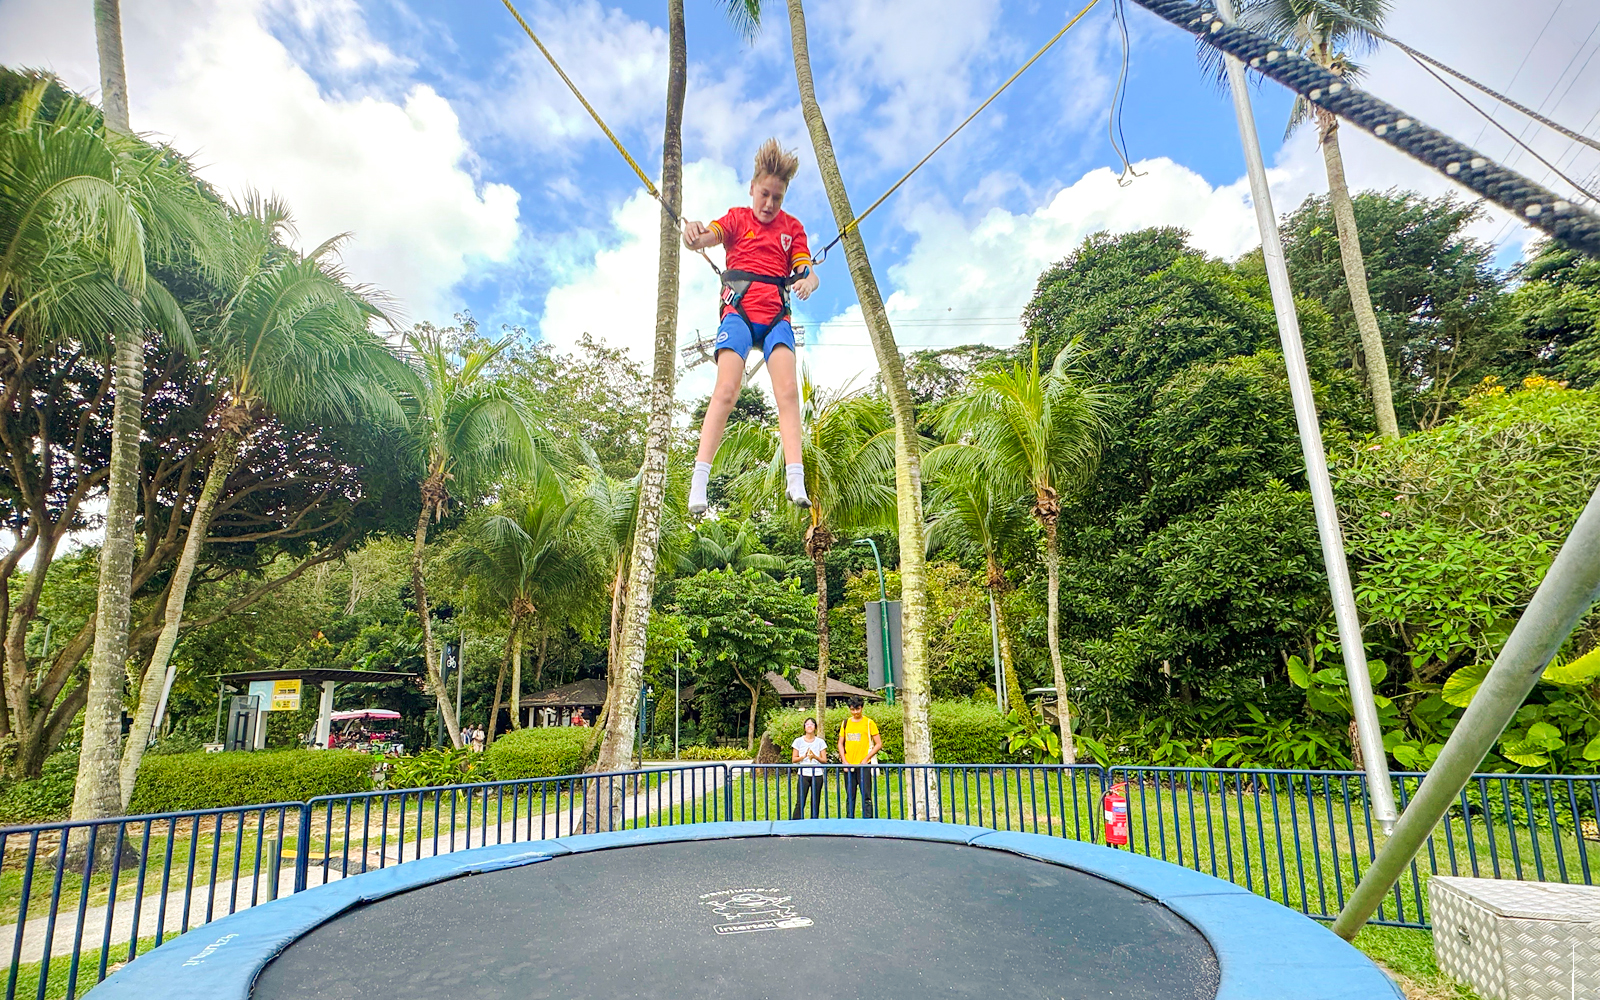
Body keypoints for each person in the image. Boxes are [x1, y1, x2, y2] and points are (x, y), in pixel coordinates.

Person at [681, 138, 820, 516]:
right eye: (764, 194)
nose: (769, 204)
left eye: (777, 197)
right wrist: (692, 234)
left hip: (777, 317)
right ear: (752, 188)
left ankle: (795, 478)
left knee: (788, 391)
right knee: (726, 389)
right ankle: (699, 481)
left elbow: (807, 270)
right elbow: (704, 238)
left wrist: (809, 281)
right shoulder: (737, 218)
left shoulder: (793, 228)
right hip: (739, 313)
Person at [836, 697, 881, 819]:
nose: (855, 712)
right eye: (852, 709)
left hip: (863, 764)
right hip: (849, 764)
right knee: (850, 795)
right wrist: (844, 761)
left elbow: (878, 743)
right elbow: (840, 742)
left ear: (862, 708)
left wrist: (867, 758)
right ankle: (850, 819)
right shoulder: (846, 723)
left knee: (866, 794)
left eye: (858, 709)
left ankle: (868, 819)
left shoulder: (868, 723)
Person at [789, 718, 827, 820]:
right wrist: (803, 756)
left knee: (815, 800)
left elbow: (824, 760)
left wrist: (815, 757)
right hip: (803, 773)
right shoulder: (798, 741)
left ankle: (814, 821)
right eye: (807, 724)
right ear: (804, 727)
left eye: (812, 724)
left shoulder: (820, 742)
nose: (809, 726)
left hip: (817, 774)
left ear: (815, 727)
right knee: (800, 800)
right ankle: (796, 822)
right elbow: (794, 759)